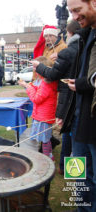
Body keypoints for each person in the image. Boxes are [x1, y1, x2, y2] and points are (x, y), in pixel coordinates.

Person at [31, 20, 81, 175]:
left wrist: (40, 67)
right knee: (73, 135)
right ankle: (71, 170)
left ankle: (71, 171)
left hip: (68, 97)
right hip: (75, 96)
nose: (47, 40)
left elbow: (53, 74)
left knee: (70, 134)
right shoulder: (81, 49)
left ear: (68, 34)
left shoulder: (67, 50)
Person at [62, 0, 96, 210]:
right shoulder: (85, 34)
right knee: (77, 173)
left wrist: (83, 83)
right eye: (71, 12)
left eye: (77, 10)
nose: (74, 16)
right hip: (79, 119)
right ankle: (79, 208)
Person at [18, 56, 58, 160]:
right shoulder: (45, 81)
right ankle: (48, 155)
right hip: (43, 115)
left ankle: (47, 158)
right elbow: (39, 90)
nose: (34, 70)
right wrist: (28, 85)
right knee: (45, 138)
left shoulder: (46, 83)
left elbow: (36, 98)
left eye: (36, 67)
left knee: (44, 140)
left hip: (43, 117)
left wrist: (28, 87)